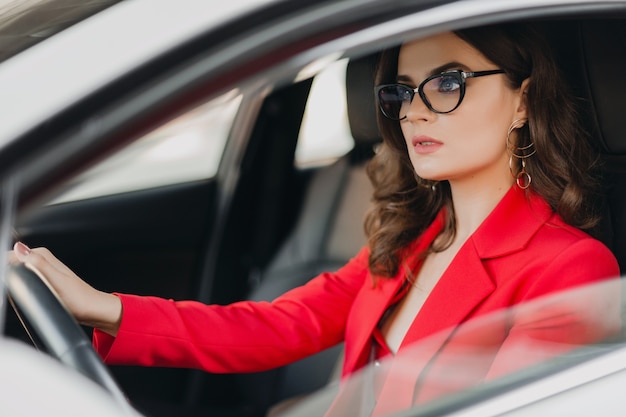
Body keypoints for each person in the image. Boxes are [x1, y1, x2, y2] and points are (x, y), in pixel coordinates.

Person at [10, 23, 621, 416]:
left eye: (448, 84)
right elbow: (275, 327)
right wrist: (101, 307)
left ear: (522, 100)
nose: (415, 113)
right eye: (402, 92)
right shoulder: (413, 241)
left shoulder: (570, 267)